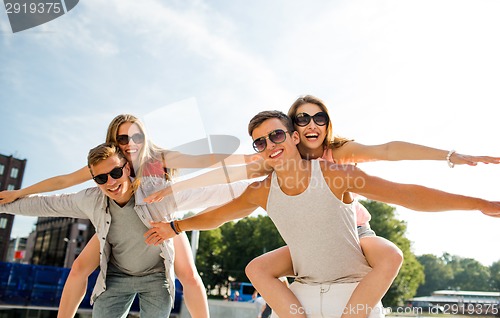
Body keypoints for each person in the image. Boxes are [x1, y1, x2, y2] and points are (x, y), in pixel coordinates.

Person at [142, 95, 500, 318]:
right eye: (262, 142)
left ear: (305, 133)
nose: (310, 126)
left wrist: (465, 181)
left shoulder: (339, 164)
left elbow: (398, 173)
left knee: (390, 254)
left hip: (354, 234)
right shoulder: (263, 177)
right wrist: (174, 213)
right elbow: (222, 190)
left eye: (317, 120)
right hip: (305, 246)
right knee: (257, 267)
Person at [0, 114, 253, 318]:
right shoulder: (107, 163)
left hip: (161, 220)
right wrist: (21, 193)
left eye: (137, 136)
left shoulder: (157, 157)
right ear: (113, 141)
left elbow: (204, 161)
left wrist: (252, 162)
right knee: (78, 267)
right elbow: (63, 182)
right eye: (123, 138)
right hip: (118, 225)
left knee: (188, 275)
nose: (131, 143)